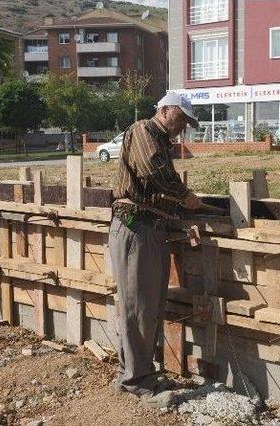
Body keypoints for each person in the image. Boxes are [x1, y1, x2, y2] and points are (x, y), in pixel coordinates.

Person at [109, 92, 202, 407]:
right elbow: (152, 170)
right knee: (139, 308)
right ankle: (136, 380)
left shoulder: (160, 140)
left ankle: (131, 373)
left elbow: (155, 179)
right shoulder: (144, 130)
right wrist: (184, 194)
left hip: (147, 229)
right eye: (182, 119)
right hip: (137, 228)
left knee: (144, 306)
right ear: (165, 110)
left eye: (187, 123)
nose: (183, 128)